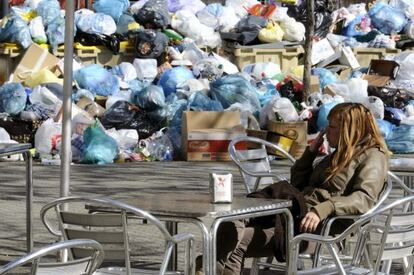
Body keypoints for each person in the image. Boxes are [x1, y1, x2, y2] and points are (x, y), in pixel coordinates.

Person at [207, 102, 390, 275]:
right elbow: (298, 184)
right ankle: (205, 268)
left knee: (237, 241)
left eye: (332, 127)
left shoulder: (373, 156)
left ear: (349, 131)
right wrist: (310, 154)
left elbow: (364, 198)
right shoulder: (338, 154)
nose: (325, 132)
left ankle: (204, 268)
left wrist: (324, 209)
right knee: (232, 220)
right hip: (296, 212)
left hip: (321, 230)